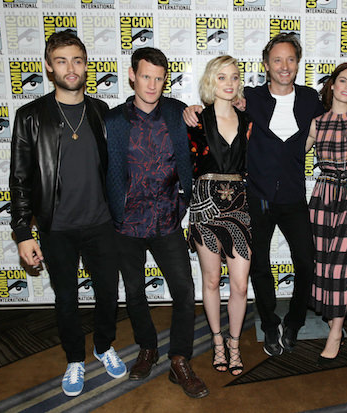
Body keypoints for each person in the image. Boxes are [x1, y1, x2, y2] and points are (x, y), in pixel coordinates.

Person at [184, 34, 347, 356]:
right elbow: (217, 109)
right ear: (266, 65)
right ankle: (269, 324)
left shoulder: (312, 99)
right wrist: (191, 109)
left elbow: (343, 104)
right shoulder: (251, 99)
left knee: (306, 262)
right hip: (255, 197)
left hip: (295, 199)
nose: (284, 67)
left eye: (291, 60)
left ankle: (295, 322)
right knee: (258, 266)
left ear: (298, 64)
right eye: (277, 60)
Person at [9, 31, 126, 397]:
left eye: (77, 60)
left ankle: (104, 346)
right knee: (66, 300)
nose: (70, 68)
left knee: (108, 294)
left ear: (86, 65)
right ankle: (75, 358)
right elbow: (19, 179)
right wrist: (22, 233)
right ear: (48, 66)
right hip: (56, 227)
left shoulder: (100, 112)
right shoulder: (30, 116)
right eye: (61, 60)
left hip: (101, 223)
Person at [105, 47, 208, 398]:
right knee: (134, 292)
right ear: (132, 75)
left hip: (166, 220)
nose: (152, 84)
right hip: (126, 224)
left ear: (166, 80)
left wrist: (183, 199)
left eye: (159, 78)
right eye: (145, 76)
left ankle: (179, 359)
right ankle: (147, 348)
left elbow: (214, 125)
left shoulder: (178, 113)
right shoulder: (114, 121)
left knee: (184, 290)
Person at [305, 63, 347, 363]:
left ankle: (336, 331)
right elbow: (292, 152)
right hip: (322, 194)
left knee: (343, 264)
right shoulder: (316, 122)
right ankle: (332, 319)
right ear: (332, 85)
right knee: (322, 260)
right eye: (343, 81)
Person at [187, 55, 252, 376]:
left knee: (240, 285)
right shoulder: (195, 119)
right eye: (222, 77)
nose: (229, 83)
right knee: (211, 280)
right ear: (211, 82)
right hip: (204, 204)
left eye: (234, 77)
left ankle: (235, 344)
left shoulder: (248, 119)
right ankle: (217, 342)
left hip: (239, 205)